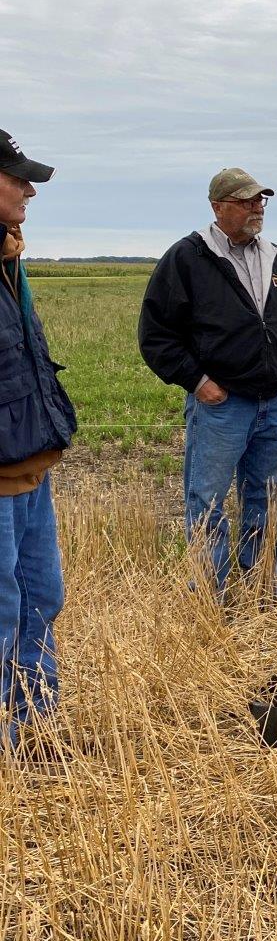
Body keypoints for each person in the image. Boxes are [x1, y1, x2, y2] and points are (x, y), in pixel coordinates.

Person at [139, 168, 277, 597]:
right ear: (218, 207)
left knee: (269, 500)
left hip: (275, 403)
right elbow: (156, 333)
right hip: (221, 406)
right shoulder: (187, 258)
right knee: (208, 501)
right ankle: (208, 594)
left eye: (261, 200)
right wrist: (199, 383)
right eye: (247, 200)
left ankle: (262, 587)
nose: (257, 207)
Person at [0, 129, 76, 744]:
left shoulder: (9, 262)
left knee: (40, 598)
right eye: (17, 177)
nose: (29, 189)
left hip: (28, 465)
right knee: (1, 612)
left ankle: (35, 729)